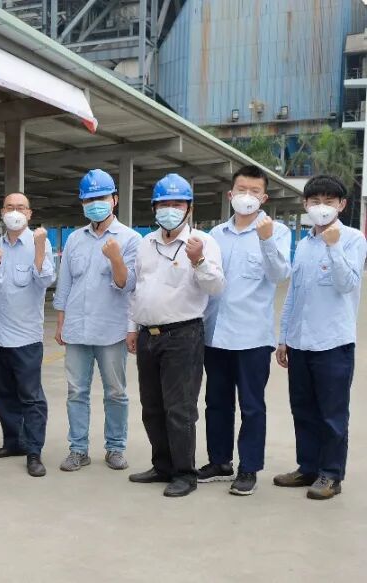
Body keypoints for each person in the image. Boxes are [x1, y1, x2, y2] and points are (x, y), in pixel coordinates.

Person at [125, 173, 224, 497]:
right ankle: (163, 466)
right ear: (154, 208)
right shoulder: (146, 243)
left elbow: (215, 287)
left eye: (177, 204)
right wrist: (132, 328)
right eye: (163, 204)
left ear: (189, 208)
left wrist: (198, 261)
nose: (170, 210)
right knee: (152, 406)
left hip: (183, 334)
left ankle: (184, 473)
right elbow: (137, 289)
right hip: (148, 335)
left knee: (179, 409)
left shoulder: (203, 242)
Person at [274, 175, 366, 500]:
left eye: (329, 201)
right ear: (305, 205)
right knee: (303, 410)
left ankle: (331, 475)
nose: (321, 207)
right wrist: (284, 337)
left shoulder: (353, 240)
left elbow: (347, 284)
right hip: (300, 343)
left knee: (332, 414)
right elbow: (293, 294)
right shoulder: (303, 245)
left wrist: (334, 245)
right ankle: (308, 467)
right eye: (315, 201)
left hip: (333, 344)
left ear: (342, 205)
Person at [201, 165, 291, 496]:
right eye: (242, 190)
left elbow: (280, 274)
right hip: (215, 333)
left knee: (252, 405)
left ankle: (248, 467)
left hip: (252, 336)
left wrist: (266, 240)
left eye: (254, 191)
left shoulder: (277, 231)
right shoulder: (215, 235)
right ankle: (219, 461)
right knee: (216, 402)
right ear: (230, 194)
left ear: (264, 197)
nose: (247, 196)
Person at [52, 169, 140, 473]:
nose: (95, 204)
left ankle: (115, 447)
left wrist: (115, 257)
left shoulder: (130, 239)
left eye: (101, 198)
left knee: (115, 392)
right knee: (77, 392)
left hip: (111, 330)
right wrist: (60, 322)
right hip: (77, 329)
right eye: (89, 199)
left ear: (114, 199)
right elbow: (65, 284)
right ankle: (78, 449)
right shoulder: (75, 239)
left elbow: (127, 285)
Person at [0, 193, 55, 477]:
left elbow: (46, 279)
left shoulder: (40, 242)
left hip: (26, 336)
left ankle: (34, 451)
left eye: (20, 207)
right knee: (2, 393)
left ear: (29, 213)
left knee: (31, 397)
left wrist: (39, 248)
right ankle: (14, 442)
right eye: (10, 207)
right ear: (2, 212)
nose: (15, 212)